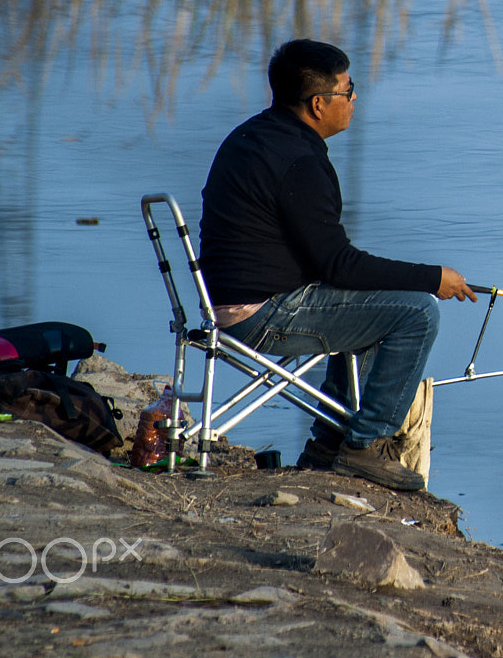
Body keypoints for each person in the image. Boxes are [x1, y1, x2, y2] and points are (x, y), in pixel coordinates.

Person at [198, 39, 475, 491]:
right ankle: (365, 447)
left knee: (377, 302)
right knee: (418, 314)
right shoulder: (300, 163)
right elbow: (339, 267)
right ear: (318, 103)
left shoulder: (253, 136)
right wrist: (432, 278)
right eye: (349, 91)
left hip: (228, 303)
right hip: (264, 315)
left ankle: (328, 444)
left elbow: (334, 268)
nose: (354, 100)